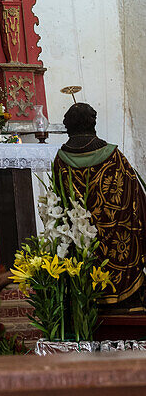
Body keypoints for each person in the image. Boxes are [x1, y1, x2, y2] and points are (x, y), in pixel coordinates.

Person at [53, 102, 146, 308]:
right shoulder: (114, 156)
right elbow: (134, 197)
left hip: (81, 239)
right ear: (92, 124)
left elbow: (60, 199)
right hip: (119, 238)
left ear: (69, 126)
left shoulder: (61, 160)